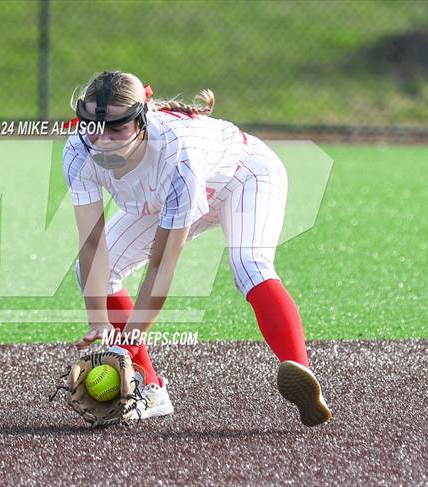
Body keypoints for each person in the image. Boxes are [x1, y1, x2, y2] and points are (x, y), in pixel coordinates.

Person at [62, 70, 332, 427]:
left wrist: (125, 346)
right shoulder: (78, 151)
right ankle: (150, 389)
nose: (102, 142)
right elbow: (93, 245)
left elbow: (161, 266)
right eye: (94, 127)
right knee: (94, 271)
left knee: (249, 264)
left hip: (244, 176)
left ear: (141, 121)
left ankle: (302, 374)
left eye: (116, 129)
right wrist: (98, 319)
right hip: (163, 196)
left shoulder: (177, 152)